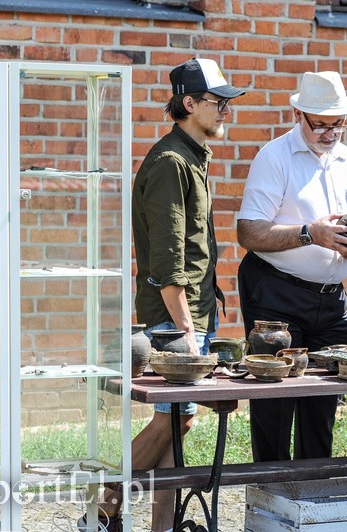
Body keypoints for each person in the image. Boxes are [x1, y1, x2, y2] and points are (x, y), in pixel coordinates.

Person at [78, 57, 245, 532]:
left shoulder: (193, 157)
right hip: (173, 321)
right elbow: (168, 264)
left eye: (226, 102)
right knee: (172, 422)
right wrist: (188, 335)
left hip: (192, 313)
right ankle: (100, 510)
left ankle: (160, 527)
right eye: (217, 103)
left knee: (179, 425)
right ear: (188, 104)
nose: (225, 111)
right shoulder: (172, 162)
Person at [236, 71, 347, 462]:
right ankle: (270, 496)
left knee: (322, 404)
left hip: (331, 300)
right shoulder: (274, 156)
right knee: (275, 403)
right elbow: (248, 232)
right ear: (297, 113)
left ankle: (314, 497)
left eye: (338, 124)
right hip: (276, 293)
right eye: (320, 124)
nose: (330, 133)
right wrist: (308, 234)